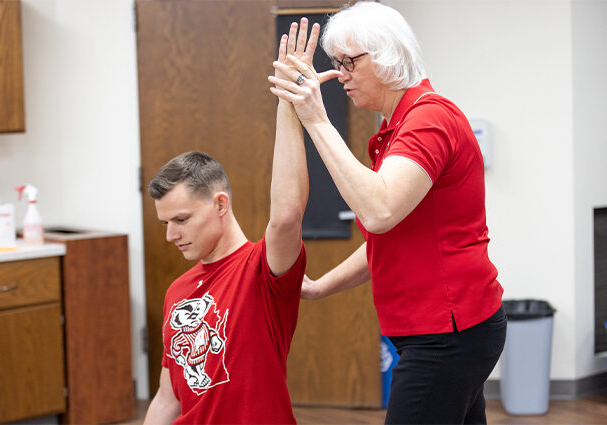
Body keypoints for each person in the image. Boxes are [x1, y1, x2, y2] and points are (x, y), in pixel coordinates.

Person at [268, 2, 506, 424]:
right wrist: (321, 286)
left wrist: (316, 117)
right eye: (337, 63)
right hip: (448, 333)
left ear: (387, 56)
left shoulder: (429, 120)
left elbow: (378, 211)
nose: (341, 75)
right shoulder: (400, 127)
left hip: (446, 336)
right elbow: (388, 239)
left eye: (349, 63)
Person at [142, 19, 319, 425]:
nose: (171, 235)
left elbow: (287, 215)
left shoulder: (263, 269)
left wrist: (287, 102)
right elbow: (167, 400)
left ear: (220, 204)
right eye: (165, 223)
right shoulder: (178, 291)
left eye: (182, 219)